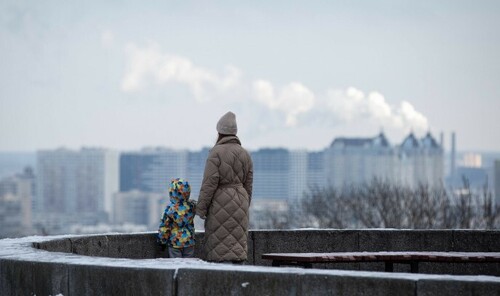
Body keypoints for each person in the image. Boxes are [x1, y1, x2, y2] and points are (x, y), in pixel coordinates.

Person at [196, 111, 254, 263]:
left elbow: (209, 183)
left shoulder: (216, 152)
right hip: (240, 201)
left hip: (220, 201)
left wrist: (201, 209)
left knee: (219, 248)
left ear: (219, 132)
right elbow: (249, 184)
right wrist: (244, 203)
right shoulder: (245, 154)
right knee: (236, 246)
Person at [157, 178, 196, 258]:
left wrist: (162, 241)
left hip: (175, 242)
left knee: (176, 264)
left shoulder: (170, 209)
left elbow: (164, 226)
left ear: (172, 192)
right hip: (189, 242)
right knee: (189, 265)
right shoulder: (191, 206)